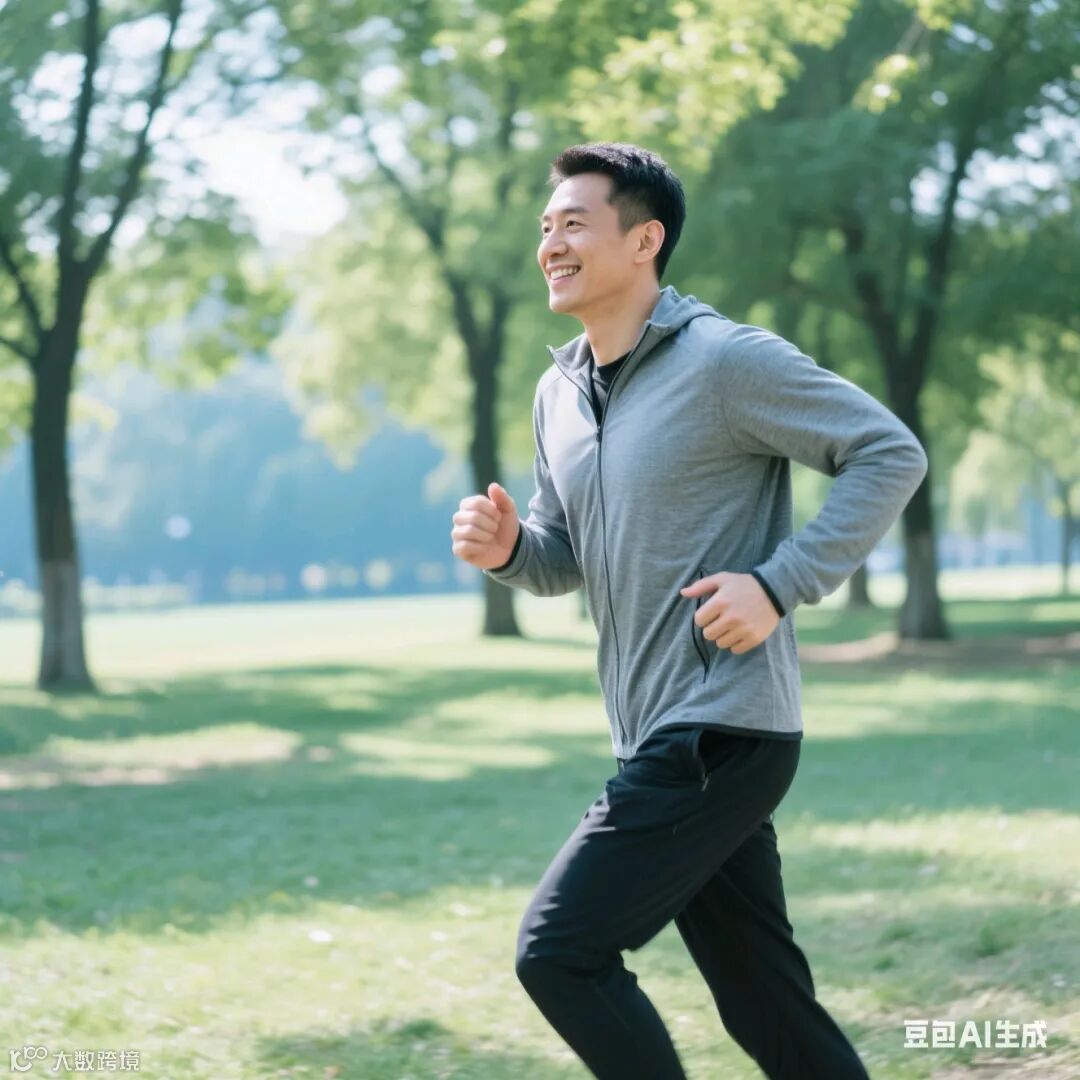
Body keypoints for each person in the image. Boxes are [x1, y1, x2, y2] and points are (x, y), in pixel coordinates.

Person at [450, 141, 927, 1079]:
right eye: (546, 227)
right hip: (653, 734)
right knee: (766, 1006)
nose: (551, 244)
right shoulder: (559, 392)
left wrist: (779, 584)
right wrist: (510, 553)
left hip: (719, 732)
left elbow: (888, 452)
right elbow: (563, 558)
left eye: (575, 223)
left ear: (645, 240)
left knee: (559, 952)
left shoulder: (723, 361)